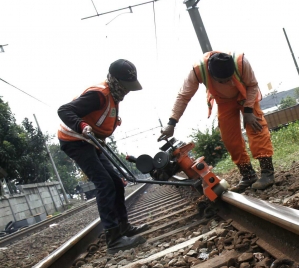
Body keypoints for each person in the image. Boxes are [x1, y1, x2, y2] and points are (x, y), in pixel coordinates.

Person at [57, 59, 148, 254]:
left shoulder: (114, 96)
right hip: (75, 140)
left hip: (91, 141)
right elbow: (64, 110)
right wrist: (81, 126)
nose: (128, 91)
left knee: (116, 181)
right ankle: (113, 239)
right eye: (126, 86)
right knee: (104, 183)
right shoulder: (99, 95)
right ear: (116, 81)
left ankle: (123, 227)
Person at [160, 51, 275, 193]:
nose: (228, 83)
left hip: (246, 95)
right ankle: (248, 175)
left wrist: (249, 110)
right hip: (224, 101)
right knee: (229, 138)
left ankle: (267, 173)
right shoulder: (198, 71)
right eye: (223, 81)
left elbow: (252, 85)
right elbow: (184, 96)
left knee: (256, 128)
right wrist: (172, 122)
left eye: (229, 78)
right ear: (211, 74)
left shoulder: (241, 62)